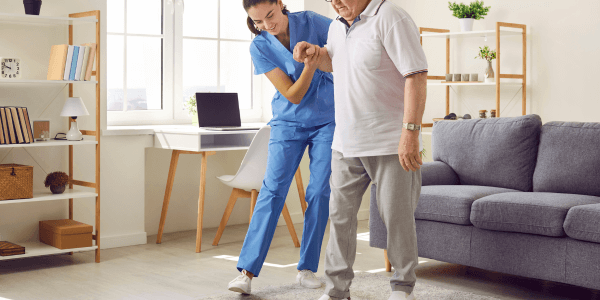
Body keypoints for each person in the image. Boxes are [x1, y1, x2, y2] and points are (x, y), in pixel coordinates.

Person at [293, 0, 428, 299]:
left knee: (397, 219)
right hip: (346, 143)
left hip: (390, 143)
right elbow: (339, 62)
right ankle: (337, 290)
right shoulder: (335, 27)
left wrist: (411, 134)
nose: (336, 3)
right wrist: (318, 55)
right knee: (340, 218)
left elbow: (416, 75)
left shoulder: (391, 18)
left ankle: (403, 288)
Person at [227, 0, 336, 295]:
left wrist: (320, 56)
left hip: (328, 120)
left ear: (280, 4)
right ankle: (247, 273)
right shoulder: (259, 46)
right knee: (272, 190)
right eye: (260, 21)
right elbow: (292, 94)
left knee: (319, 191)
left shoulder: (315, 22)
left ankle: (307, 269)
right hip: (288, 122)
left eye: (271, 15)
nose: (268, 25)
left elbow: (347, 51)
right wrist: (311, 67)